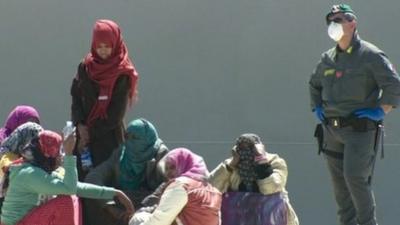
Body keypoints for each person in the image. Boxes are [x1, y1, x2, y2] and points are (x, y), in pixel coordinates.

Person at [309, 4, 400, 225]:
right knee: (340, 186)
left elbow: (393, 86)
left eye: (339, 19)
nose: (334, 24)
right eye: (331, 20)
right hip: (332, 130)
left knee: (355, 179)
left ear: (352, 23)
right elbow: (314, 84)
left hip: (359, 130)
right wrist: (316, 106)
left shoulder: (370, 55)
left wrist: (380, 110)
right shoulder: (327, 58)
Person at [0, 130, 134, 225]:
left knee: (72, 198)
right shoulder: (29, 173)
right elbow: (69, 188)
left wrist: (114, 193)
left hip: (29, 220)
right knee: (66, 201)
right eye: (58, 155)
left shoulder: (41, 168)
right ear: (47, 155)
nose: (60, 159)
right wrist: (70, 154)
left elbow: (75, 186)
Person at [70, 19, 139, 176]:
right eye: (99, 46)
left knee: (105, 188)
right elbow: (76, 97)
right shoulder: (85, 67)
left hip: (109, 141)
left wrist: (89, 134)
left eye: (107, 46)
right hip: (83, 140)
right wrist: (79, 125)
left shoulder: (122, 73)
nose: (103, 51)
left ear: (115, 44)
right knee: (80, 184)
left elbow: (115, 115)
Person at [84, 118, 168, 225]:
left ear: (147, 139)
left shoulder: (161, 155)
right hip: (123, 202)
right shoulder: (122, 154)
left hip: (151, 204)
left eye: (134, 137)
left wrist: (144, 211)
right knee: (90, 196)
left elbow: (169, 187)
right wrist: (110, 207)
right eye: (126, 136)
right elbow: (93, 178)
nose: (129, 141)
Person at [209, 133, 298, 225]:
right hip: (239, 219)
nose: (245, 152)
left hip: (270, 217)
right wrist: (230, 166)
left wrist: (261, 160)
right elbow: (210, 188)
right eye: (241, 148)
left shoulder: (275, 161)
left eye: (250, 147)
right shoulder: (231, 164)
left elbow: (271, 188)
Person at [129, 148, 222, 225]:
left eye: (173, 167)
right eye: (167, 169)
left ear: (184, 164)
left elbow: (159, 221)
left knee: (138, 219)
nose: (169, 173)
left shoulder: (181, 186)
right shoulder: (213, 190)